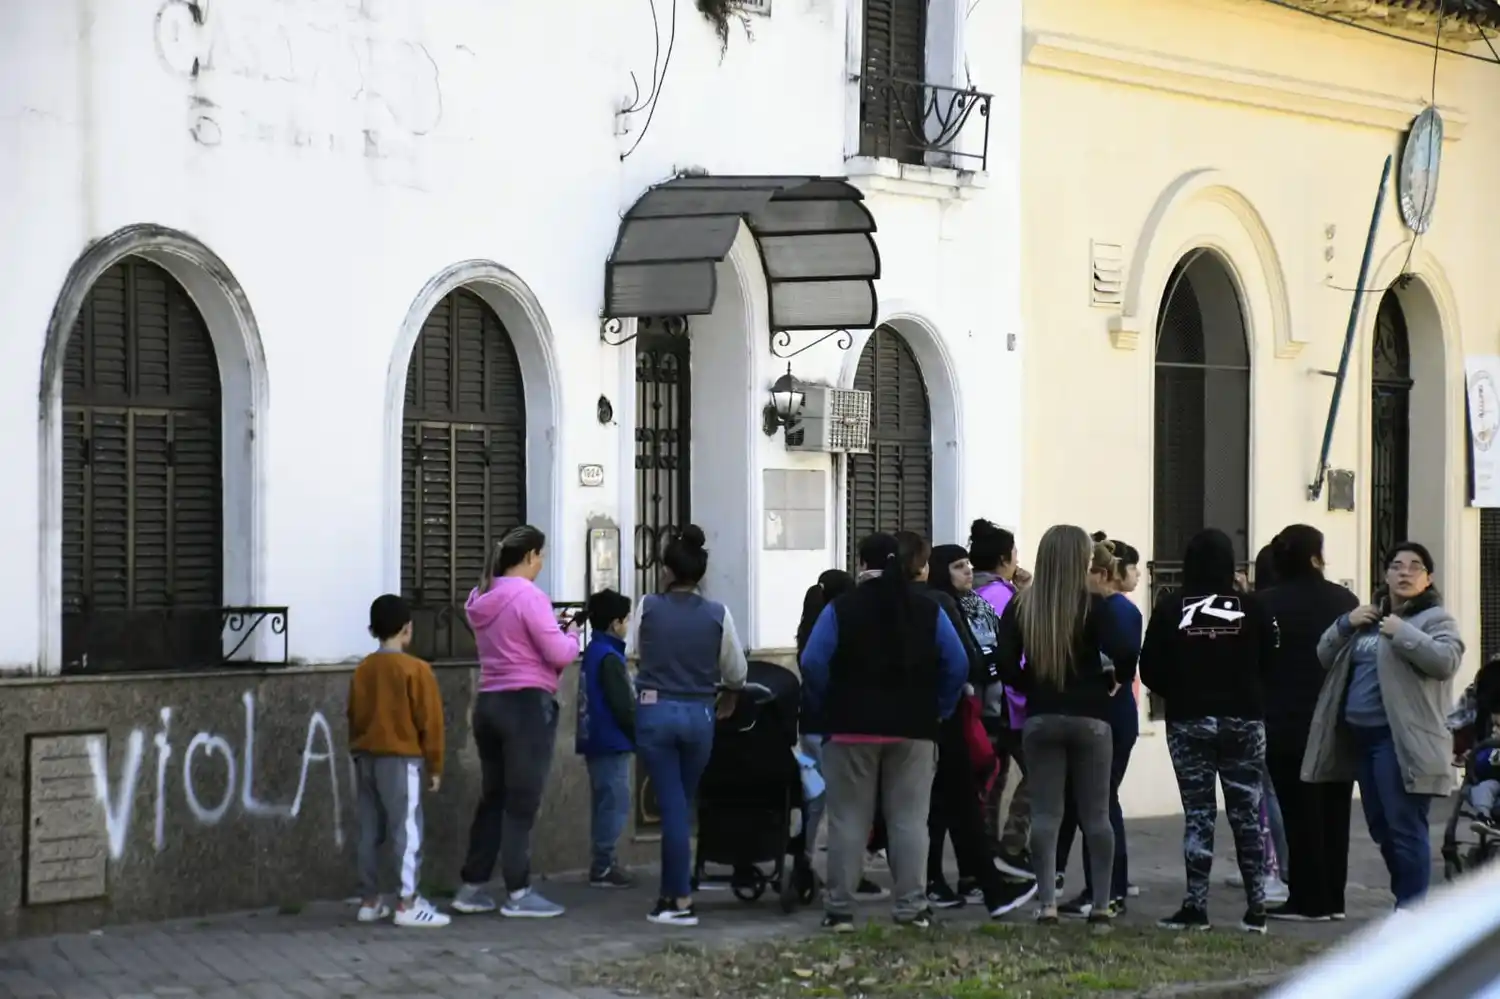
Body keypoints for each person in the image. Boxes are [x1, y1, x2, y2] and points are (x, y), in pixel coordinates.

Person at [801, 532, 970, 931]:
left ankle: (839, 908)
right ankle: (911, 906)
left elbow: (812, 661)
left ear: (862, 563)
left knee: (847, 821)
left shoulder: (841, 608)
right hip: (914, 728)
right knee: (909, 821)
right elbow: (957, 663)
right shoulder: (927, 609)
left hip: (849, 729)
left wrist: (830, 703)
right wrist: (939, 708)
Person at [1303, 541, 1463, 911]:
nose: (1405, 572)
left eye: (1415, 567)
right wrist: (1345, 623)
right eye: (1397, 566)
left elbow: (1445, 661)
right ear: (1386, 574)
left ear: (1428, 578)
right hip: (1361, 740)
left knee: (1405, 827)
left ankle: (1411, 910)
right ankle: (1408, 898)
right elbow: (1324, 655)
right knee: (1381, 827)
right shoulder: (1369, 621)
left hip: (1400, 740)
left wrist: (1402, 632)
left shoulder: (1435, 620)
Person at [994, 524, 1136, 928]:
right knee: (1096, 815)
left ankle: (1047, 906)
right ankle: (1102, 908)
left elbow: (1004, 665)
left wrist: (1030, 684)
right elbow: (1126, 650)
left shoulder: (1022, 605)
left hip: (1041, 717)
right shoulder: (1096, 605)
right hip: (1092, 717)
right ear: (1080, 559)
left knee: (1046, 816)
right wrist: (1115, 679)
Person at [1140, 528, 1278, 934]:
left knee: (1199, 814)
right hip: (1244, 720)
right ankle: (1257, 908)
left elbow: (1149, 668)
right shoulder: (1253, 609)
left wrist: (1182, 692)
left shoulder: (1170, 607)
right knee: (1247, 814)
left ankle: (1195, 906)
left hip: (1190, 721)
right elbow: (1273, 661)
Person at [453, 525, 580, 919]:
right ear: (528, 557)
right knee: (521, 803)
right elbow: (557, 653)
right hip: (526, 706)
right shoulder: (529, 596)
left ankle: (472, 887)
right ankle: (519, 892)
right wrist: (572, 633)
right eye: (540, 556)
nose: (541, 564)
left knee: (494, 799)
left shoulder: (482, 596)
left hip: (489, 703)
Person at [628, 524, 749, 926]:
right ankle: (674, 890)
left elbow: (633, 655)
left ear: (665, 569)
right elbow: (736, 670)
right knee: (683, 800)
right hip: (700, 714)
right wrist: (729, 695)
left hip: (656, 710)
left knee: (673, 806)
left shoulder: (647, 606)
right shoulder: (718, 614)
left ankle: (678, 899)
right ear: (701, 573)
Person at [923, 543, 1039, 916]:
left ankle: (977, 876)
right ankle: (976, 875)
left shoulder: (973, 603)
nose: (967, 572)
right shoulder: (941, 604)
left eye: (969, 565)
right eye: (958, 567)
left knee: (964, 797)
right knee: (960, 799)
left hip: (988, 709)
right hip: (961, 713)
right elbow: (965, 659)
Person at [1256, 526, 1357, 922]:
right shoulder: (1344, 600)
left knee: (1300, 812)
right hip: (1336, 718)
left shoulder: (1265, 604)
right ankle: (1334, 898)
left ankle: (1306, 898)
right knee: (1335, 811)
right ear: (1316, 556)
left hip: (1286, 720)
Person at [349, 594, 450, 927]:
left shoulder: (363, 669)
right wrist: (435, 766)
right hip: (402, 759)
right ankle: (406, 903)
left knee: (369, 829)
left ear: (371, 629)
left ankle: (369, 900)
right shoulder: (416, 670)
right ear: (408, 628)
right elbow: (430, 722)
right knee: (406, 829)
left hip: (365, 757)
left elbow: (353, 714)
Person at [1057, 536, 1142, 919]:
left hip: (1110, 716)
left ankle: (1107, 890)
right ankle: (1105, 887)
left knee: (1102, 804)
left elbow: (1121, 661)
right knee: (1098, 803)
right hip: (1109, 715)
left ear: (1099, 573)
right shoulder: (1102, 609)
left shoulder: (1115, 611)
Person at [969, 518, 1035, 881]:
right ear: (1005, 558)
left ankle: (986, 852)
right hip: (1011, 704)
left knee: (990, 782)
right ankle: (1011, 846)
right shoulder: (1007, 598)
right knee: (1039, 774)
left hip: (978, 706)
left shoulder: (966, 593)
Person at [795, 569, 855, 896]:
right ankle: (843, 873)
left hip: (810, 724)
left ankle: (805, 861)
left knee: (814, 798)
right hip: (835, 726)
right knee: (845, 804)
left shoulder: (809, 627)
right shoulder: (838, 625)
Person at [575, 588, 637, 890]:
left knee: (604, 801)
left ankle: (602, 862)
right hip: (611, 740)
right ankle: (604, 864)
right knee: (614, 802)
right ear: (615, 623)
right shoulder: (610, 657)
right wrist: (638, 732)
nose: (628, 625)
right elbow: (622, 705)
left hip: (594, 739)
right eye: (626, 619)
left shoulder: (593, 651)